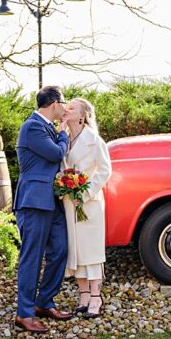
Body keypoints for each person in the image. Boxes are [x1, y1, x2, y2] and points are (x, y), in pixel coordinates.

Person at [13, 85, 75, 333]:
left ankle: (44, 302)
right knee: (32, 256)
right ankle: (24, 313)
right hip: (34, 201)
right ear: (54, 104)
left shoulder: (46, 127)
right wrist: (64, 133)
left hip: (52, 201)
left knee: (60, 250)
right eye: (64, 103)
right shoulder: (33, 127)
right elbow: (55, 153)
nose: (65, 108)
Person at [61, 98, 112, 317]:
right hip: (68, 203)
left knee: (91, 250)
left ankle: (95, 296)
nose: (66, 109)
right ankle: (82, 293)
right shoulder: (62, 139)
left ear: (82, 116)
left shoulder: (94, 140)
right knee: (76, 249)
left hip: (88, 203)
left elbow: (105, 170)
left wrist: (85, 192)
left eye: (71, 108)